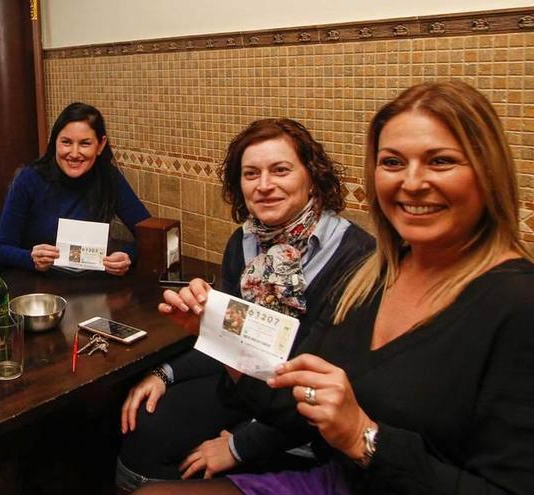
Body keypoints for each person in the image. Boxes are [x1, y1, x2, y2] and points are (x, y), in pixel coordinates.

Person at [135, 81, 534, 494]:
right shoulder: (375, 278)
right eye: (393, 162)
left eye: (441, 161)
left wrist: (363, 438)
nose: (412, 183)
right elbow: (298, 395)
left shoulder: (517, 305)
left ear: (487, 171)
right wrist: (213, 330)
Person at [117, 118, 374, 490]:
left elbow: (325, 395)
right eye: (251, 173)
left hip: (307, 425)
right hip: (246, 387)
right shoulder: (244, 242)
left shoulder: (355, 258)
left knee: (190, 465)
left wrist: (239, 446)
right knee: (145, 427)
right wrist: (164, 373)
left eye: (281, 170)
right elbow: (234, 342)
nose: (264, 185)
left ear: (312, 176)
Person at [0, 102, 150, 276]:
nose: (75, 153)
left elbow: (150, 235)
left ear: (100, 145)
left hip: (94, 288)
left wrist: (127, 256)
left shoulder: (108, 177)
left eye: (85, 144)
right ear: (55, 142)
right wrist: (31, 258)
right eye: (66, 142)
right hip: (39, 290)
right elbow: (0, 249)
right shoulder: (29, 179)